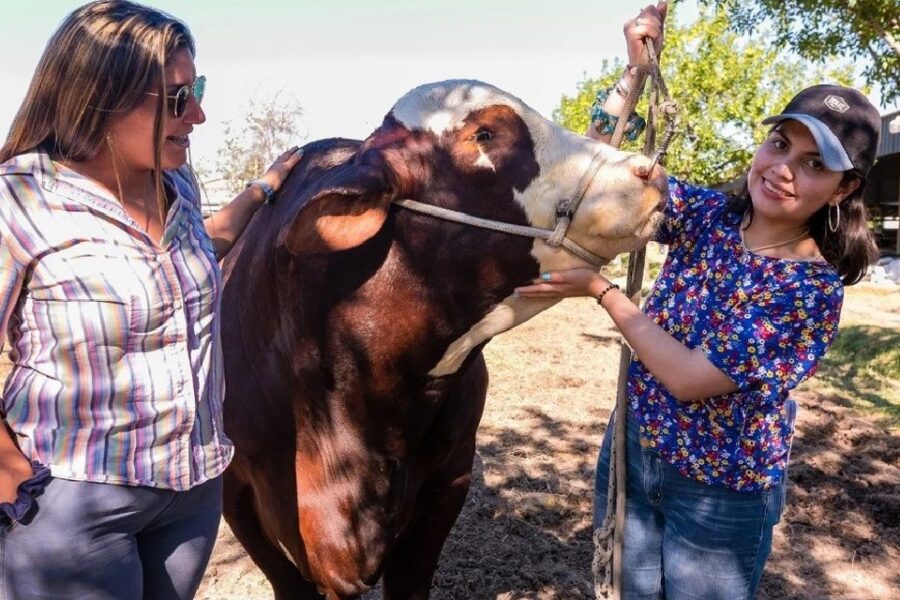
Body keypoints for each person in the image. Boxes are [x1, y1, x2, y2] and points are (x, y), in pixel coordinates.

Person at [516, 1, 881, 598]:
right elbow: (598, 169)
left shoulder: (809, 291)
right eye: (779, 144)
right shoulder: (710, 216)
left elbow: (689, 378)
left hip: (720, 494)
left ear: (845, 189)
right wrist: (634, 72)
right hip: (634, 448)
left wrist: (602, 292)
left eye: (814, 164)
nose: (783, 169)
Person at [0, 1, 302, 598]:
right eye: (176, 98)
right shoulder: (20, 202)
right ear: (98, 99)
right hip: (75, 500)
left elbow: (194, 251)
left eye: (197, 90)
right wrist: (6, 466)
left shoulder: (178, 182)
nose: (198, 114)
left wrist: (263, 188)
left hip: (191, 493)